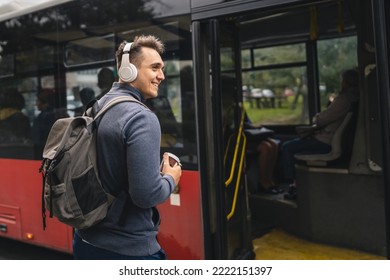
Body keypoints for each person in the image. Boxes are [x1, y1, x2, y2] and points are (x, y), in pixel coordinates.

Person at [72, 35, 182, 260]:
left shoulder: (96, 107)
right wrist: (171, 178)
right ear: (128, 71)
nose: (161, 75)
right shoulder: (141, 117)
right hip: (127, 249)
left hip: (86, 240)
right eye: (154, 68)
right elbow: (145, 195)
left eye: (162, 68)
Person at [280, 68, 359, 199]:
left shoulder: (344, 99)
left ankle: (294, 186)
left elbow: (321, 119)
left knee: (287, 147)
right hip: (333, 139)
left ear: (346, 82)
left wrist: (317, 117)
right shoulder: (356, 97)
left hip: (326, 141)